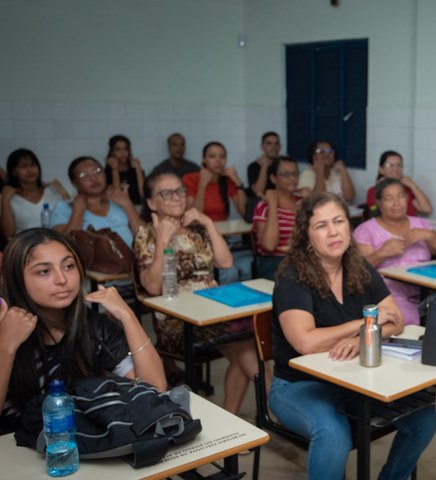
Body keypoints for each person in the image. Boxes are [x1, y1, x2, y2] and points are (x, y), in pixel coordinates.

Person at [270, 192, 436, 479]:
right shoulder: (292, 276)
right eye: (321, 226)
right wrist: (364, 325)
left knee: (427, 415)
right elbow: (305, 342)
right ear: (306, 236)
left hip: (354, 380)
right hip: (298, 385)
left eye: (338, 221)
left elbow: (395, 321)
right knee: (333, 433)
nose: (333, 231)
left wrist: (361, 338)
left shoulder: (358, 267)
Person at [0, 228, 166, 434]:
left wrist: (128, 316)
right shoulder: (4, 326)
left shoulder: (93, 326)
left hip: (80, 443)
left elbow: (155, 388)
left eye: (69, 266)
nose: (62, 279)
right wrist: (5, 346)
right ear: (17, 279)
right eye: (44, 271)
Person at [134, 171, 258, 414]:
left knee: (249, 342)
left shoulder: (196, 228)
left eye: (180, 191)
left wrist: (208, 223)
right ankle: (271, 402)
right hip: (177, 319)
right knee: (244, 347)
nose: (177, 198)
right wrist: (163, 241)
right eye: (166, 193)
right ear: (151, 203)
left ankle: (235, 418)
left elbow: (225, 262)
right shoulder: (145, 234)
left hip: (214, 309)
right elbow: (152, 287)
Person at [354, 178, 436, 325]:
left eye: (400, 196)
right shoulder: (366, 230)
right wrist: (382, 253)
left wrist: (430, 235)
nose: (396, 203)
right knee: (412, 320)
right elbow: (357, 272)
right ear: (378, 203)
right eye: (389, 198)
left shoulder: (421, 224)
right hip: (389, 296)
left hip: (428, 293)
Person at [182, 141, 249, 284]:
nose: (218, 161)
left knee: (247, 265)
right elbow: (192, 215)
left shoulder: (226, 180)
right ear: (203, 160)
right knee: (230, 272)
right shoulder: (191, 179)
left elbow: (244, 212)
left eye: (222, 156)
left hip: (223, 236)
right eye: (212, 156)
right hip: (199, 235)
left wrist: (237, 181)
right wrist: (202, 184)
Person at [51, 156, 141, 247]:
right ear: (74, 183)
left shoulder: (117, 202)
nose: (93, 178)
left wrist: (128, 204)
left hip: (131, 258)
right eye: (84, 175)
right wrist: (78, 211)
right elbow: (64, 245)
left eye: (97, 171)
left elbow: (143, 236)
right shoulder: (64, 207)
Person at [251, 156, 301, 280]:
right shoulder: (264, 206)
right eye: (286, 175)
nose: (293, 179)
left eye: (295, 174)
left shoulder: (303, 203)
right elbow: (269, 246)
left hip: (302, 260)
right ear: (273, 178)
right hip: (275, 263)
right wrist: (273, 204)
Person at [1, 148, 70, 238]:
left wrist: (62, 191)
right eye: (23, 166)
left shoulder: (52, 190)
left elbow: (71, 218)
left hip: (56, 242)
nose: (30, 170)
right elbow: (8, 234)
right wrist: (5, 200)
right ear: (14, 172)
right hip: (25, 246)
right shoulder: (9, 198)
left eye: (33, 165)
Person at [365, 150, 432, 218]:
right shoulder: (373, 191)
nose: (396, 169)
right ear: (381, 169)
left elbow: (426, 209)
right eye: (390, 165)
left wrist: (413, 186)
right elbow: (377, 216)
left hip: (410, 226)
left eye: (399, 165)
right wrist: (380, 189)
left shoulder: (407, 189)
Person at [105, 134, 145, 206]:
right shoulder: (106, 173)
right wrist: (115, 169)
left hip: (137, 207)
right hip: (118, 210)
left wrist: (138, 169)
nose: (123, 153)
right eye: (118, 149)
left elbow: (143, 194)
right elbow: (116, 196)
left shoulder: (135, 170)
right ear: (112, 152)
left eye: (126, 149)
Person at [248, 131, 281, 198]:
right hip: (262, 203)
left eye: (276, 144)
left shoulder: (284, 165)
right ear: (262, 147)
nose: (274, 147)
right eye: (269, 144)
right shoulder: (253, 167)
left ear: (279, 146)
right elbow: (258, 191)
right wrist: (264, 166)